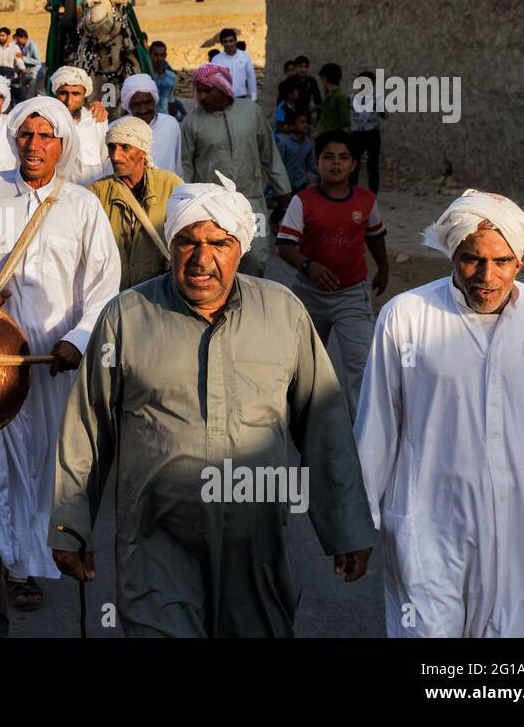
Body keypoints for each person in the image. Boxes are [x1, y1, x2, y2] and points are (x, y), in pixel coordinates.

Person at [52, 174, 376, 637]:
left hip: (257, 542)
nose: (202, 260)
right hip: (157, 540)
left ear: (240, 247)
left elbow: (324, 426)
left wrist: (346, 526)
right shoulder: (125, 316)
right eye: (188, 242)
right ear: (171, 245)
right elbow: (88, 427)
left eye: (219, 243)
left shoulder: (282, 311)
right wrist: (70, 524)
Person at [355, 190, 524, 638]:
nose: (486, 276)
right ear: (453, 255)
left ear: (520, 262)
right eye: (472, 259)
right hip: (430, 529)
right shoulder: (407, 317)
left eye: (502, 262)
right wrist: (358, 521)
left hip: (522, 534)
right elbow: (376, 426)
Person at [0, 96, 121, 637]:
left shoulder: (82, 206)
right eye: (26, 134)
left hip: (55, 369)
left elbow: (103, 287)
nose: (34, 145)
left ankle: (37, 562)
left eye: (47, 136)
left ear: (63, 145)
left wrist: (77, 338)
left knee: (51, 473)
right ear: (13, 138)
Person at [276, 131, 389, 420]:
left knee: (361, 366)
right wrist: (308, 267)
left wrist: (383, 268)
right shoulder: (303, 201)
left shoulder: (365, 201)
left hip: (352, 295)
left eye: (343, 158)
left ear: (353, 165)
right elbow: (285, 246)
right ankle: (301, 424)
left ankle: (363, 433)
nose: (335, 164)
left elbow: (375, 236)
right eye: (328, 157)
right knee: (304, 365)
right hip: (309, 296)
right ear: (317, 163)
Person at [181, 63, 290, 277]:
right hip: (212, 207)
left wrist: (284, 189)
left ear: (222, 88)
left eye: (207, 90)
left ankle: (249, 303)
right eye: (199, 90)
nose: (201, 97)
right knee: (217, 261)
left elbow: (269, 152)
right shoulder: (191, 122)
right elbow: (185, 167)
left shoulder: (250, 111)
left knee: (255, 256)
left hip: (252, 202)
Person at [87, 118, 184, 289]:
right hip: (113, 293)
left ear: (143, 151)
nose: (116, 156)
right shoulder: (97, 192)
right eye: (111, 147)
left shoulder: (172, 186)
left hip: (159, 292)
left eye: (125, 147)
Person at [49, 65, 109, 184]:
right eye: (63, 93)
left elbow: (105, 158)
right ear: (56, 93)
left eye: (75, 94)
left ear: (84, 95)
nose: (69, 101)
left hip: (94, 191)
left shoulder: (97, 119)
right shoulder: (49, 121)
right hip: (61, 193)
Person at [116, 73, 181, 175]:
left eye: (147, 102)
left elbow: (178, 164)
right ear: (128, 105)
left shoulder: (170, 125)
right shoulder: (117, 128)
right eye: (136, 104)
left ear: (154, 101)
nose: (143, 109)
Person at [349, 70, 384, 193]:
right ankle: (351, 190)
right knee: (354, 163)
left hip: (372, 133)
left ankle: (373, 193)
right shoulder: (351, 98)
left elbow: (385, 114)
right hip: (357, 134)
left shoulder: (376, 99)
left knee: (373, 164)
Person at [211, 28, 257, 101]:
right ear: (221, 43)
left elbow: (251, 77)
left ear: (235, 41)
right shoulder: (216, 60)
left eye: (231, 41)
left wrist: (254, 96)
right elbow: (214, 80)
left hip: (242, 97)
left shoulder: (245, 56)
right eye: (225, 41)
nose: (229, 44)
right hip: (224, 98)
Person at [149, 40, 185, 120]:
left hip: (165, 118)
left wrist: (173, 120)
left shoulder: (171, 77)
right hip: (148, 120)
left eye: (162, 55)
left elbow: (171, 100)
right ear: (150, 55)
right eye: (156, 55)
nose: (159, 58)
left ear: (165, 55)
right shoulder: (146, 77)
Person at [316, 62, 351, 136]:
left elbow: (346, 122)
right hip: (324, 135)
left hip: (333, 138)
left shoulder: (339, 96)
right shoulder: (329, 96)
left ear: (324, 79)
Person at [11, 28, 42, 102]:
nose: (17, 41)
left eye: (18, 39)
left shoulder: (32, 45)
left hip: (34, 74)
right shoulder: (20, 45)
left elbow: (38, 61)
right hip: (26, 74)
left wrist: (23, 58)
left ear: (24, 38)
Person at [292, 55, 324, 122]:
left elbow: (318, 100)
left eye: (305, 66)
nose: (303, 69)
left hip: (307, 115)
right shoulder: (291, 81)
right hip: (292, 115)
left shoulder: (311, 81)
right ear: (295, 68)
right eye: (300, 66)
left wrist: (319, 118)